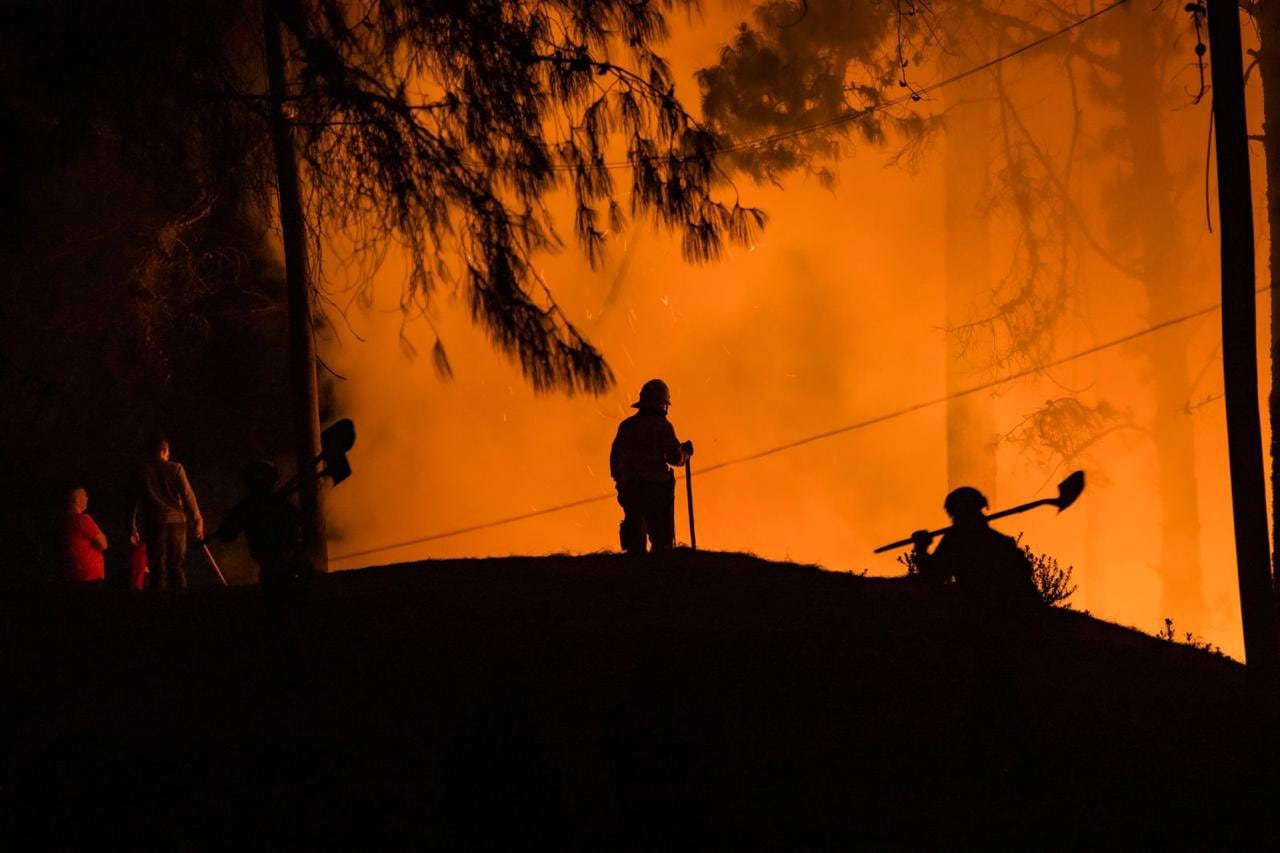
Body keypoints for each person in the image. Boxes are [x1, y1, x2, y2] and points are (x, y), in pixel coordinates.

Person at [911, 486, 1039, 608]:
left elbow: (934, 576)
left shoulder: (957, 540)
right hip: (1014, 612)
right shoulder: (1003, 542)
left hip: (982, 613)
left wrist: (921, 549)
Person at [609, 379, 693, 553]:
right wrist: (685, 452)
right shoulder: (662, 427)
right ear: (663, 404)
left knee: (634, 535)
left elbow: (615, 460)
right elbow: (674, 457)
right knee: (662, 542)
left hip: (631, 489)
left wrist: (621, 486)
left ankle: (635, 571)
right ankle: (658, 575)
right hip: (657, 491)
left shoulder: (627, 427)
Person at [130, 434, 203, 591]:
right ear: (164, 450)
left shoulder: (141, 472)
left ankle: (159, 607)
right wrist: (198, 520)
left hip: (153, 523)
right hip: (176, 522)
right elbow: (188, 496)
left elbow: (131, 502)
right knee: (176, 566)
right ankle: (181, 604)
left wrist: (132, 526)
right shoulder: (176, 468)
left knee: (157, 568)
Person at [63, 486, 108, 584]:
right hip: (90, 577)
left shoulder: (63, 521)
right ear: (76, 500)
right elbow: (103, 544)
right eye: (85, 495)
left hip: (72, 575)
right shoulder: (82, 519)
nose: (87, 498)